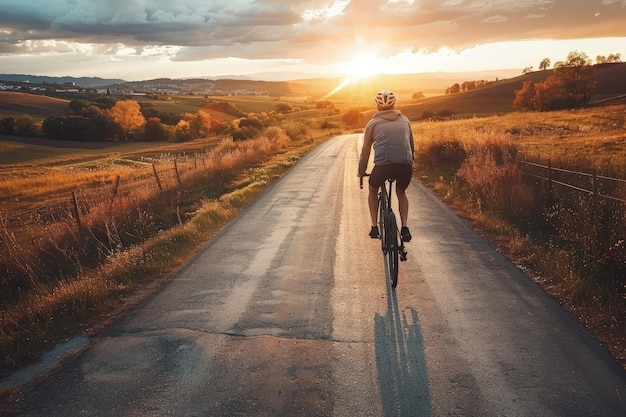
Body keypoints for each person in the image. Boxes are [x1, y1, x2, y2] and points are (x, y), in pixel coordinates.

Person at [358, 89, 415, 242]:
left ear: (377, 105)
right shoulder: (405, 120)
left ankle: (374, 227)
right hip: (404, 165)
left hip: (383, 166)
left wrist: (361, 171)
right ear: (394, 104)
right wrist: (410, 164)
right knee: (401, 193)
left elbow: (366, 149)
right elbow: (411, 145)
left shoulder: (372, 123)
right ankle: (404, 228)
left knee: (372, 188)